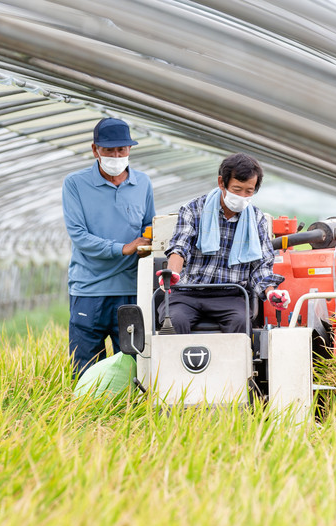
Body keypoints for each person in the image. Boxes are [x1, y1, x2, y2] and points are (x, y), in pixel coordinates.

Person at [62, 117, 155, 374]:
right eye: (108, 150)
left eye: (121, 150)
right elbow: (79, 235)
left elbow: (149, 229)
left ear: (129, 150)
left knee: (134, 364)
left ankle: (130, 414)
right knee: (85, 365)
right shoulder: (75, 184)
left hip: (130, 289)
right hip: (89, 289)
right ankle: (85, 414)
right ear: (95, 150)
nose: (116, 155)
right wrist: (122, 248)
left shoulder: (143, 183)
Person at [161, 152, 290, 333]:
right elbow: (179, 247)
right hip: (188, 293)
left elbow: (261, 265)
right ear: (222, 183)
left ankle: (235, 362)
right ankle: (173, 362)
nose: (242, 196)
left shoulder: (256, 219)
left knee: (240, 322)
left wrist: (271, 292)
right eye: (237, 190)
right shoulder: (193, 209)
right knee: (174, 321)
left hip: (230, 295)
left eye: (249, 191)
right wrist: (173, 274)